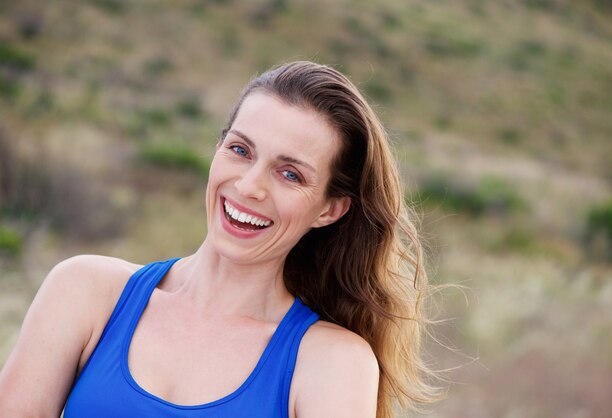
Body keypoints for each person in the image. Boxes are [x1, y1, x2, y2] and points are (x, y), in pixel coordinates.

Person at [0, 61, 438, 417]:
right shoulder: (84, 290)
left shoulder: (332, 363)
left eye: (290, 174)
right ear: (217, 148)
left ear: (329, 209)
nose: (249, 186)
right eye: (240, 150)